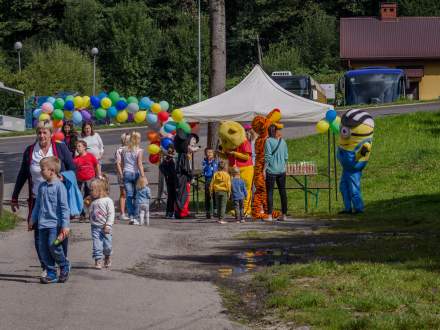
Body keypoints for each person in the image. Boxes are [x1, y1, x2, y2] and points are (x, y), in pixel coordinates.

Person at [11, 120, 75, 277]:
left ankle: (62, 263)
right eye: (39, 132)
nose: (41, 135)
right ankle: (47, 268)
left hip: (58, 199)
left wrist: (63, 179)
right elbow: (22, 174)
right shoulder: (30, 150)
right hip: (37, 199)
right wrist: (15, 196)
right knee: (40, 237)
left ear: (51, 133)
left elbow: (73, 169)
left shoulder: (59, 148)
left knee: (58, 236)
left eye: (45, 132)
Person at [30, 157, 70, 284]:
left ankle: (64, 265)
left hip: (55, 224)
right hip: (42, 224)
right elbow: (37, 205)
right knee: (43, 249)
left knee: (53, 246)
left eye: (43, 169)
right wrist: (32, 219)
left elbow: (64, 208)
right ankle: (51, 272)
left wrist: (65, 226)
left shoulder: (59, 187)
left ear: (52, 171)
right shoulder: (42, 187)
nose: (40, 172)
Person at [89, 176, 115, 269]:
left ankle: (107, 257)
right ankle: (98, 259)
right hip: (95, 227)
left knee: (107, 245)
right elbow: (91, 213)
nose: (90, 192)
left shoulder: (108, 201)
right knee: (97, 244)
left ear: (100, 190)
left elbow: (111, 214)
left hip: (105, 227)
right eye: (90, 190)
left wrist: (108, 225)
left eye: (92, 190)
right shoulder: (93, 202)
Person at [264, 125, 289, 221]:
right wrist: (283, 165)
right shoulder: (282, 141)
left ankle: (269, 215)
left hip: (271, 170)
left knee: (270, 192)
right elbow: (286, 156)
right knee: (283, 192)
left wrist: (264, 169)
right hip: (282, 170)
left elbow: (267, 156)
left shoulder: (268, 141)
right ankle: (284, 215)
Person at [74, 140, 101, 220]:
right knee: (81, 197)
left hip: (90, 179)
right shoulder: (76, 159)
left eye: (79, 146)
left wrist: (98, 176)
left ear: (84, 147)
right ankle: (82, 214)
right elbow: (74, 170)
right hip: (80, 180)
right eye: (76, 147)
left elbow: (96, 166)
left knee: (91, 196)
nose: (77, 148)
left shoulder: (90, 156)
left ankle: (92, 214)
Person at [122, 131, 145, 223]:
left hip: (126, 172)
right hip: (136, 173)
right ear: (138, 140)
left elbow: (123, 163)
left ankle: (131, 215)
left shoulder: (124, 149)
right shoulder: (139, 150)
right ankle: (135, 216)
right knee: (136, 196)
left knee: (129, 195)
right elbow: (139, 164)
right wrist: (143, 176)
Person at [115, 132, 131, 221]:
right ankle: (122, 213)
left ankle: (131, 212)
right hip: (123, 174)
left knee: (131, 193)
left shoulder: (132, 149)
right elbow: (118, 163)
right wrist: (121, 174)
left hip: (132, 173)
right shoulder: (119, 150)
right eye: (128, 139)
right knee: (123, 193)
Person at [210, 160, 231, 224]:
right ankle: (222, 219)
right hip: (224, 191)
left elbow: (212, 183)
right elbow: (228, 184)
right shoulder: (227, 175)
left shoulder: (215, 174)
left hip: (217, 191)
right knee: (223, 206)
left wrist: (211, 191)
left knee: (218, 205)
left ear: (218, 167)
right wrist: (229, 192)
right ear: (225, 167)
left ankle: (219, 218)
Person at [159, 146, 177, 219]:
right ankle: (170, 212)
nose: (170, 153)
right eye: (169, 152)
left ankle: (171, 212)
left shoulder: (173, 158)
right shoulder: (168, 160)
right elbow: (161, 167)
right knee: (171, 196)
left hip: (172, 179)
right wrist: (167, 174)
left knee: (172, 196)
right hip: (171, 179)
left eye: (171, 152)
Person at [202, 148, 218, 219]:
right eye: (208, 152)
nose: (209, 154)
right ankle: (208, 211)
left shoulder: (215, 161)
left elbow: (217, 168)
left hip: (214, 179)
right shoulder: (204, 161)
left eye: (211, 152)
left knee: (215, 195)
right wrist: (208, 162)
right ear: (205, 154)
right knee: (208, 195)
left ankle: (215, 210)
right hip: (208, 179)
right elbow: (204, 168)